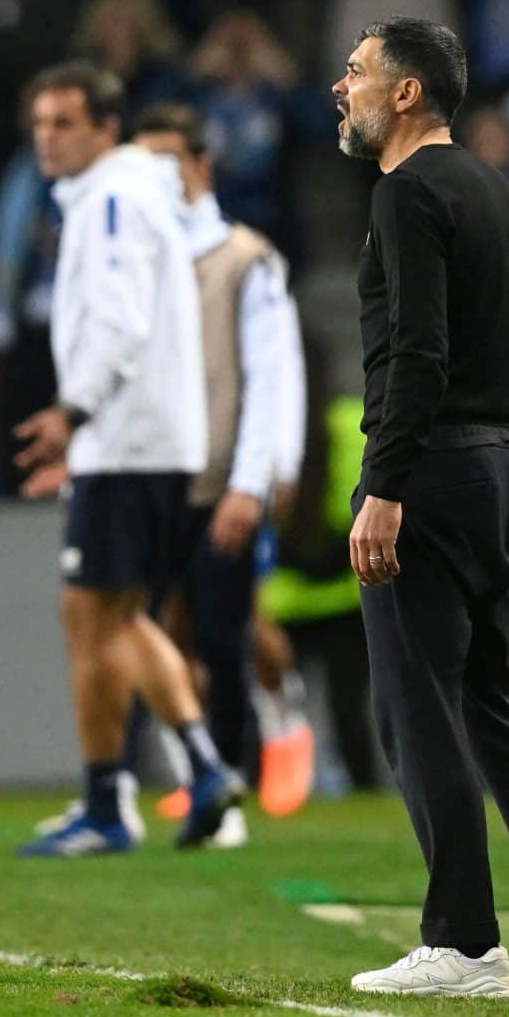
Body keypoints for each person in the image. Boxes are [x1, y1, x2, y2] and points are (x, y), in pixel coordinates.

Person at [335, 16, 509, 1000]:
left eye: (359, 72)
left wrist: (386, 484)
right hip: (494, 467)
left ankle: (459, 941)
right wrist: (499, 449)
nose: (343, 86)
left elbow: (414, 351)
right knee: (490, 705)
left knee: (416, 710)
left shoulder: (404, 195)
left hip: (433, 473)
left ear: (407, 93)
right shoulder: (497, 190)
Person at [10, 63, 244, 857]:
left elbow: (117, 322)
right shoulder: (132, 192)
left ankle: (113, 801)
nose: (48, 137)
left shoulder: (110, 198)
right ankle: (192, 770)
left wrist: (72, 415)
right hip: (145, 440)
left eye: (65, 122)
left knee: (94, 617)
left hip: (126, 440)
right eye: (40, 123)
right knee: (116, 615)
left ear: (106, 128)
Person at [134, 102, 307, 837]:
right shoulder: (134, 260)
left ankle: (234, 773)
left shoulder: (244, 257)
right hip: (146, 478)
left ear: (202, 167)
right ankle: (187, 772)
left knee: (224, 634)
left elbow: (273, 372)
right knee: (146, 630)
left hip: (217, 481)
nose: (156, 180)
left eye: (168, 162)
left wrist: (259, 477)